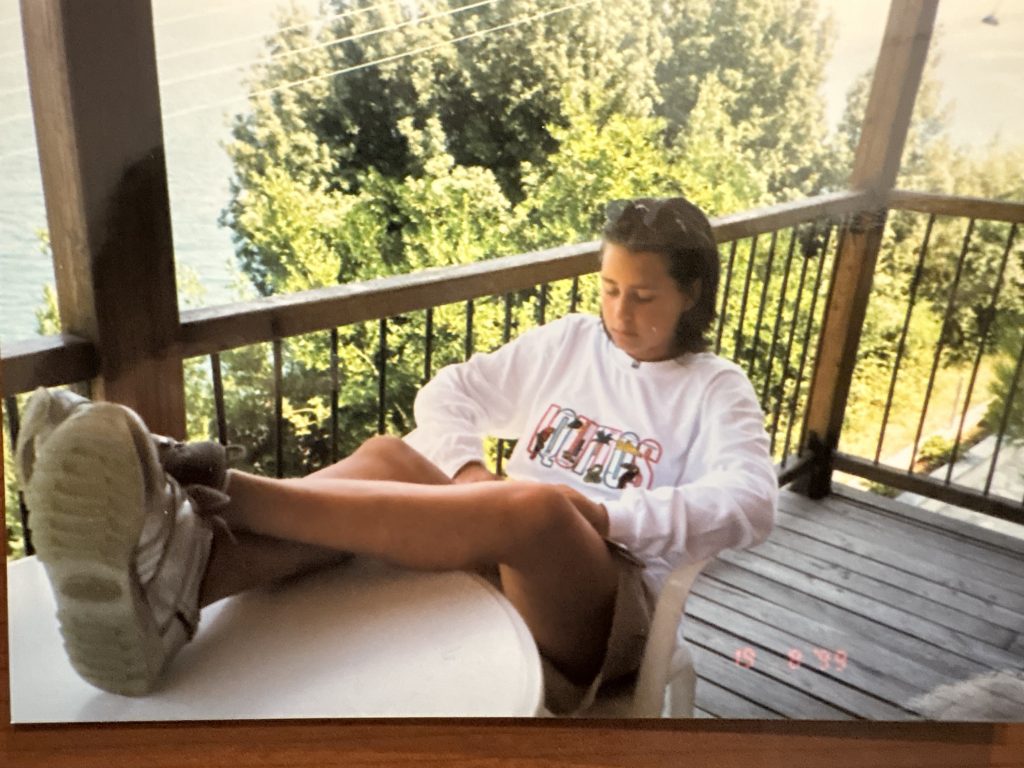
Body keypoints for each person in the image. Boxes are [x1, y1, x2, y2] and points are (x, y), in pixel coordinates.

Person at [15, 197, 777, 713]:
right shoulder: (572, 341)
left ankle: (204, 487)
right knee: (387, 452)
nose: (618, 312)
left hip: (595, 604)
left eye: (642, 296)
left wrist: (602, 510)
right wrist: (472, 478)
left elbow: (751, 501)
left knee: (535, 503)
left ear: (693, 294)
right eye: (609, 287)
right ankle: (183, 587)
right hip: (501, 532)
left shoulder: (715, 389)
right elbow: (450, 396)